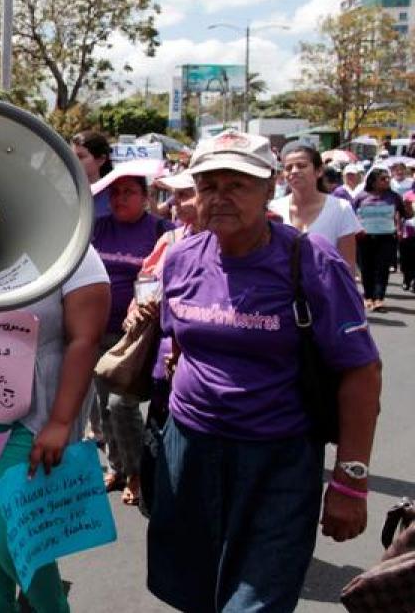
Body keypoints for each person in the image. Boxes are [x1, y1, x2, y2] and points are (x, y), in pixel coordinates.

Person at [148, 130, 382, 612]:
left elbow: (362, 371)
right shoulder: (181, 260)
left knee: (256, 602)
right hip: (189, 452)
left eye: (238, 184)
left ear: (270, 186)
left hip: (278, 459)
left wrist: (350, 480)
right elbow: (176, 348)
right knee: (191, 594)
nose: (220, 197)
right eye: (209, 185)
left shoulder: (311, 261)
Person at [0, 246, 110, 613]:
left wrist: (60, 421)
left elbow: (85, 338)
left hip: (33, 415)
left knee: (15, 539)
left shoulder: (72, 249)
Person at [91, 174, 172, 507]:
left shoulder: (160, 231)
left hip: (134, 334)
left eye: (129, 192)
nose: (120, 198)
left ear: (146, 196)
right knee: (101, 408)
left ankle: (139, 471)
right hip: (95, 328)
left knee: (121, 405)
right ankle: (118, 467)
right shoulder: (97, 227)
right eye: (115, 193)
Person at [269, 141, 362, 273]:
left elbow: (347, 267)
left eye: (301, 166)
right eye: (288, 168)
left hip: (326, 292)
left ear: (319, 171)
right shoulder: (274, 209)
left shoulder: (341, 209)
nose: (294, 171)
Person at [353, 167, 412, 311]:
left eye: (388, 178)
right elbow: (351, 215)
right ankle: (368, 297)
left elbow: (407, 215)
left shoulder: (394, 197)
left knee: (382, 268)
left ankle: (379, 299)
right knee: (366, 268)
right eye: (383, 179)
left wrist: (408, 207)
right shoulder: (361, 197)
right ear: (373, 181)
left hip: (386, 237)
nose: (387, 181)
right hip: (364, 237)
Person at [72, 131, 115, 218]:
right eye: (72, 156)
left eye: (80, 157)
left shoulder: (115, 198)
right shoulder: (67, 193)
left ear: (101, 160)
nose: (74, 161)